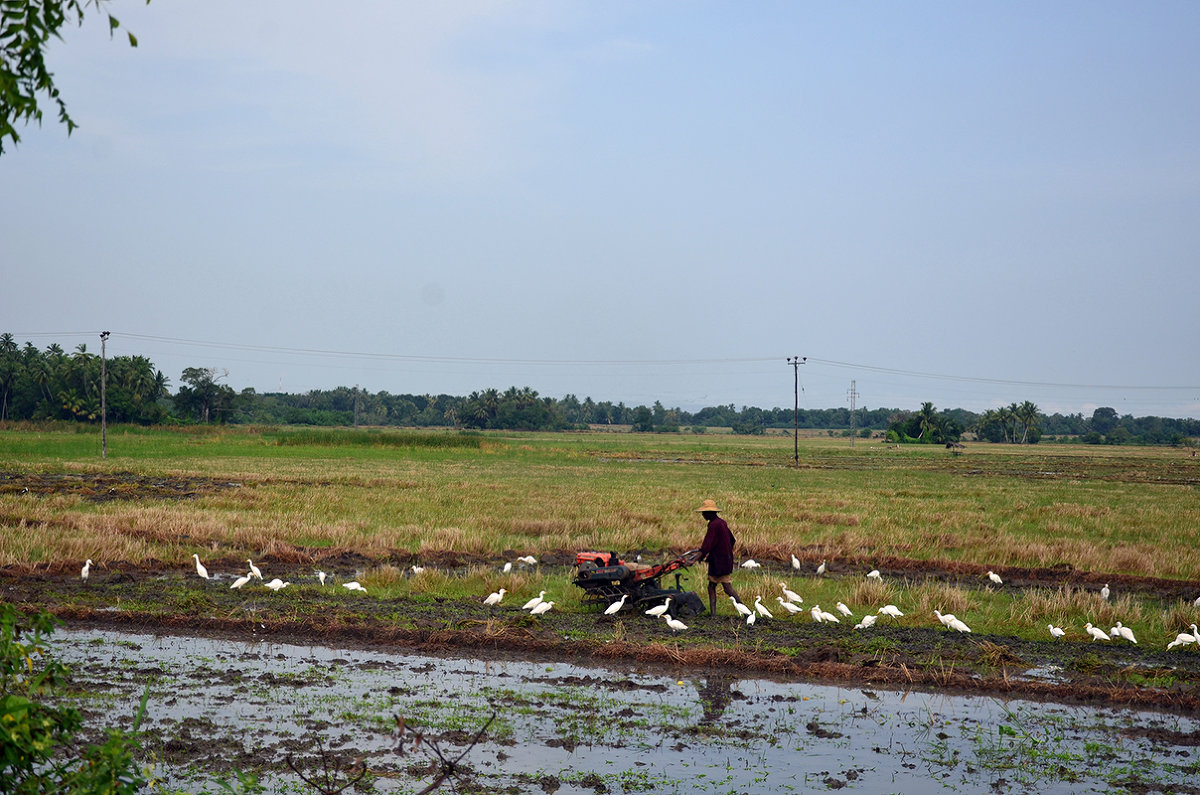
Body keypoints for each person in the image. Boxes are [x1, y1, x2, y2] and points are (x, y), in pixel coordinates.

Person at [696, 498, 743, 616]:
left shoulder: (713, 525)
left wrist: (699, 556)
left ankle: (744, 612)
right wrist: (725, 550)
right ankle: (714, 614)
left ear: (709, 513)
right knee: (714, 586)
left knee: (725, 587)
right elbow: (732, 540)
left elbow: (707, 545)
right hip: (724, 559)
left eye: (704, 512)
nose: (702, 514)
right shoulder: (722, 522)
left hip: (718, 562)